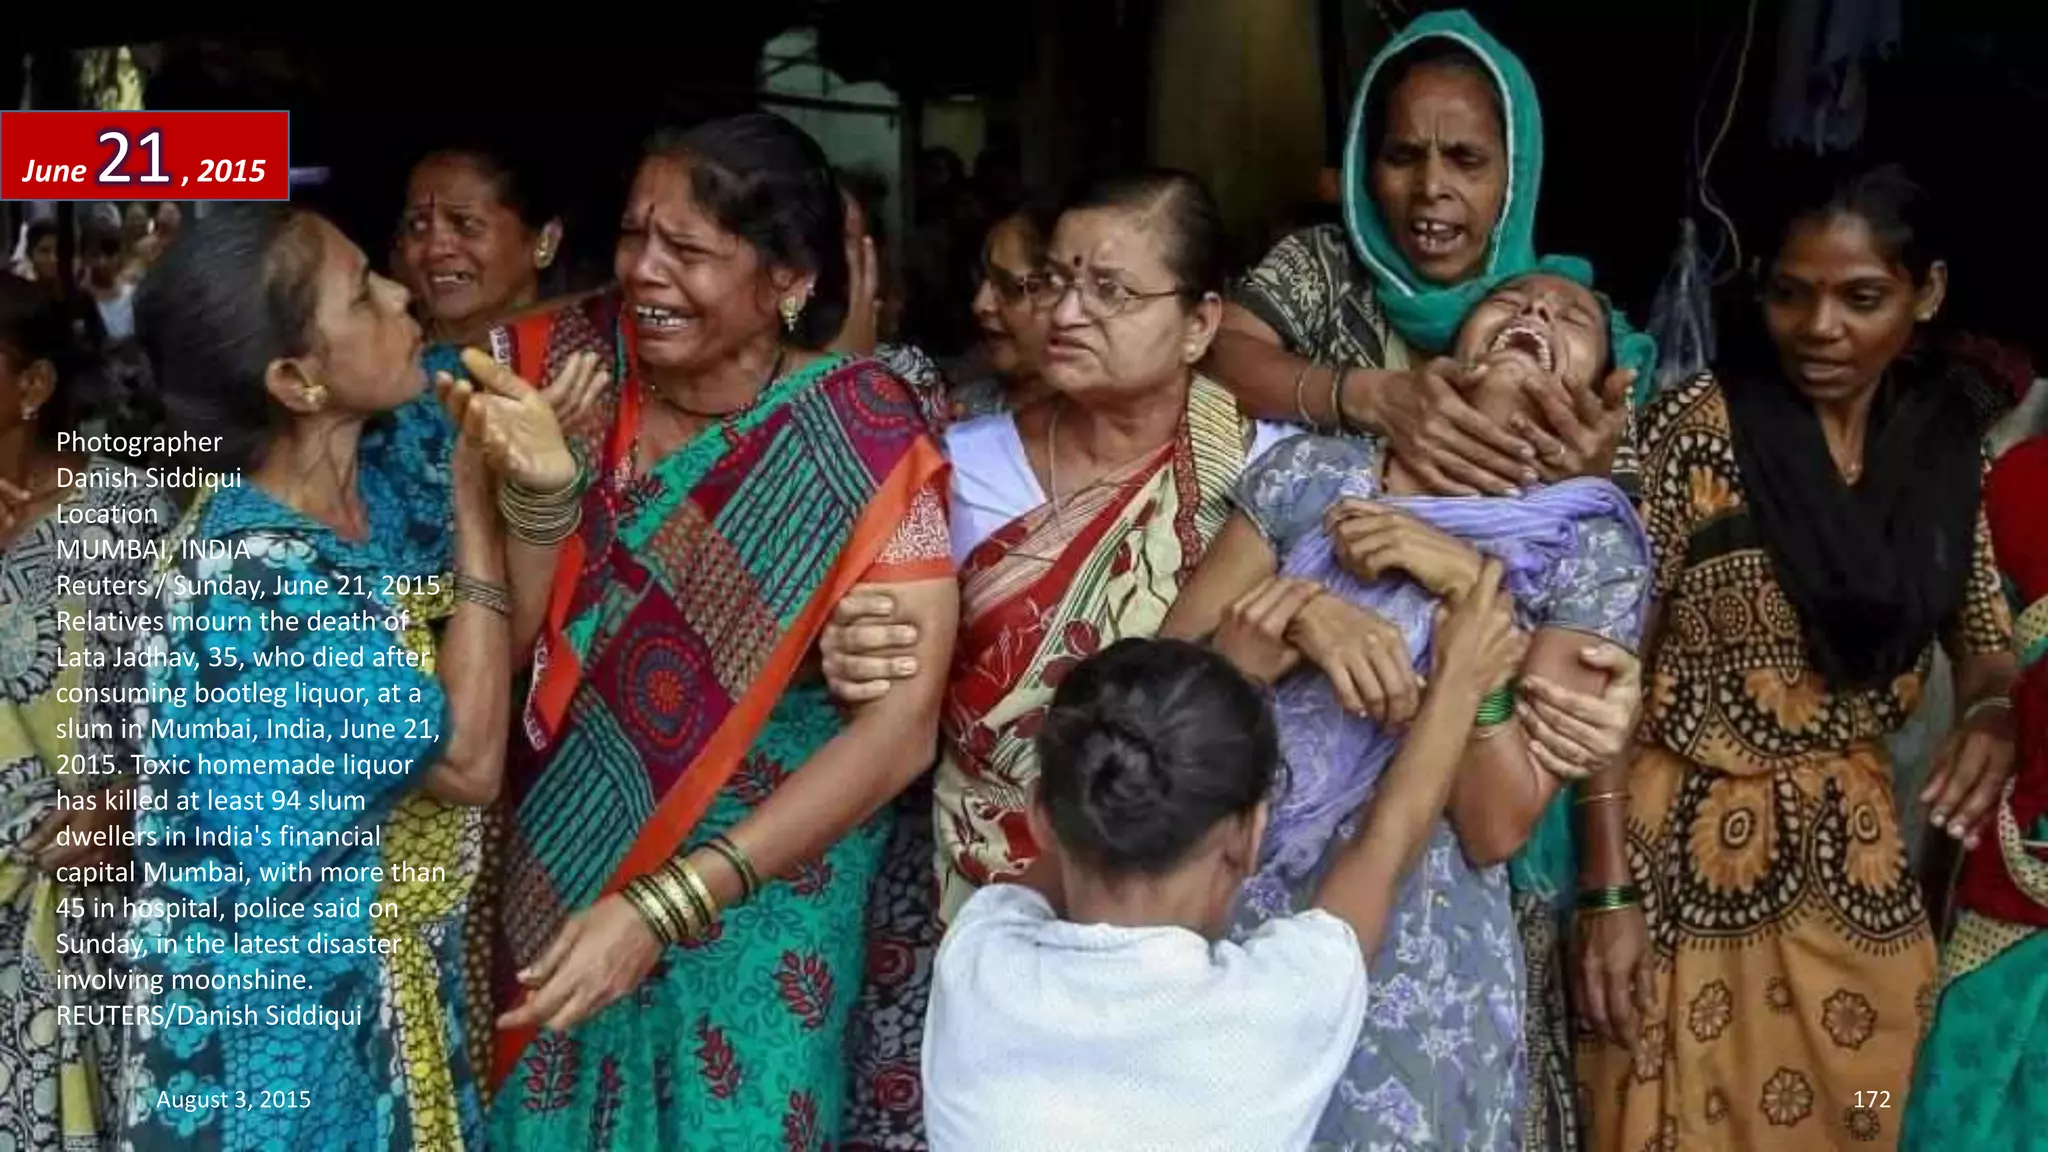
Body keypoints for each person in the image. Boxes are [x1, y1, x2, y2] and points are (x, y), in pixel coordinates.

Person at [482, 112, 956, 1152]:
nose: (644, 274)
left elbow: (899, 730)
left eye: (689, 251)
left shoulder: (863, 433)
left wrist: (665, 907)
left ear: (786, 280)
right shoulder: (549, 375)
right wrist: (537, 497)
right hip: (553, 869)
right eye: (632, 237)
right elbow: (481, 661)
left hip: (768, 889)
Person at [1159, 271, 1652, 1149]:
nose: (1536, 313)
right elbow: (1162, 693)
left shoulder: (1591, 550)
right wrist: (1295, 616)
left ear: (1596, 400)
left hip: (1418, 969)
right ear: (1445, 352)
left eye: (1574, 317)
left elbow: (1496, 822)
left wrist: (1466, 585)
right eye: (1509, 303)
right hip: (1226, 912)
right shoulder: (1313, 472)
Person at [1578, 164, 2016, 1150]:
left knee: (1869, 1112)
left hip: (1853, 865)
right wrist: (1603, 896)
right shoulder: (1694, 434)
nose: (1820, 328)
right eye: (1790, 293)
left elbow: (1983, 648)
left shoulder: (1947, 454)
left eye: (1861, 298)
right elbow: (1605, 669)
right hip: (1672, 856)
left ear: (1925, 293)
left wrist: (1991, 711)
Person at [120, 203, 575, 1151]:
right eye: (364, 294)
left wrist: (524, 480)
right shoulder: (257, 581)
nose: (404, 293)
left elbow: (493, 644)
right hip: (279, 1053)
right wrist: (481, 510)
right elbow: (467, 756)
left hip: (383, 992)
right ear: (295, 380)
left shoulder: (376, 470)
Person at [923, 569, 1525, 1151]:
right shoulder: (1271, 1012)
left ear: (1038, 815)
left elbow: (1084, 808)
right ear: (1250, 834)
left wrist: (1221, 680)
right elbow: (1386, 846)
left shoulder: (978, 960)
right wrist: (1460, 681)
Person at [1206, 9, 1649, 501]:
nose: (1431, 187)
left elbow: (1631, 492)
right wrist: (1368, 396)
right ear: (1365, 167)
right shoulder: (1327, 264)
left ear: (1516, 175)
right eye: (1402, 157)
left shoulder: (1566, 321)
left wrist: (1595, 476)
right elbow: (1217, 353)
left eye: (1466, 160)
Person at [0, 272, 173, 1152]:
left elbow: (185, 710)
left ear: (31, 388)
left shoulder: (125, 519)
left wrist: (136, 812)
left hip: (88, 910)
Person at [1901, 432, 2048, 1148]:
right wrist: (1993, 711)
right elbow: (1986, 674)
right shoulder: (2015, 487)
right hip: (2009, 930)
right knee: (1897, 1096)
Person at [396, 143, 568, 349]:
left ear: (546, 242)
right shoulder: (383, 358)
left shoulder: (589, 364)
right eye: (418, 225)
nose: (435, 250)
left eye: (466, 224)